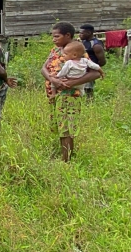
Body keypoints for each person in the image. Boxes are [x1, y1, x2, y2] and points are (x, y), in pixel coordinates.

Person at [41, 22, 102, 162]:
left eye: (57, 36)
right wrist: (52, 79)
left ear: (67, 35)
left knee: (67, 127)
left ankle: (66, 161)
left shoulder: (78, 53)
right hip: (54, 95)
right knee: (60, 125)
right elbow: (43, 68)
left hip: (70, 96)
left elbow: (95, 73)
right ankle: (64, 155)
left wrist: (71, 83)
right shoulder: (56, 50)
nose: (54, 39)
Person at [79, 24, 106, 99]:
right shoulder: (84, 42)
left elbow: (102, 61)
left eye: (82, 33)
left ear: (88, 32)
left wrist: (93, 68)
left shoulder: (96, 45)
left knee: (88, 88)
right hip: (83, 68)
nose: (80, 35)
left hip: (91, 69)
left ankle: (90, 104)